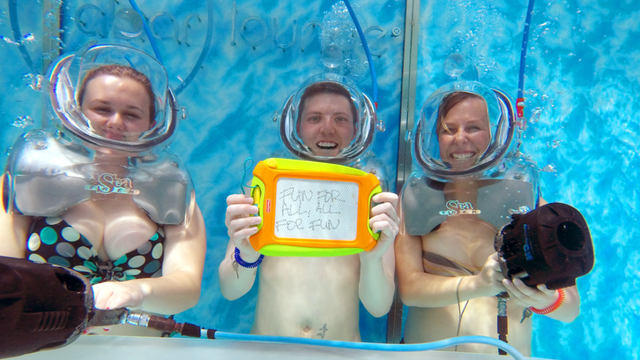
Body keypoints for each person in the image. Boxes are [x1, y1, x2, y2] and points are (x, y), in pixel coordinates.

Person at [0, 42, 206, 335]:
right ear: (77, 110)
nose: (115, 123)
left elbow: (187, 286)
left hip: (144, 353)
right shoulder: (32, 175)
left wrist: (138, 291)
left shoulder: (169, 186)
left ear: (152, 122)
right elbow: (4, 277)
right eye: (101, 109)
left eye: (132, 114)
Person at [395, 84, 580, 356]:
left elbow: (571, 309)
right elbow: (410, 289)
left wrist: (545, 299)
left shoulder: (526, 201)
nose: (460, 138)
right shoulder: (416, 198)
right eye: (449, 129)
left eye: (473, 128)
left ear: (495, 135)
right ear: (434, 136)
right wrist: (478, 285)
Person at [219, 76, 399, 341]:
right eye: (315, 118)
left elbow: (379, 307)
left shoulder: (374, 197)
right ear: (297, 126)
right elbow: (230, 290)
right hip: (269, 351)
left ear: (356, 128)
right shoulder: (266, 188)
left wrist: (372, 257)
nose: (327, 129)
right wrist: (246, 254)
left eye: (340, 119)